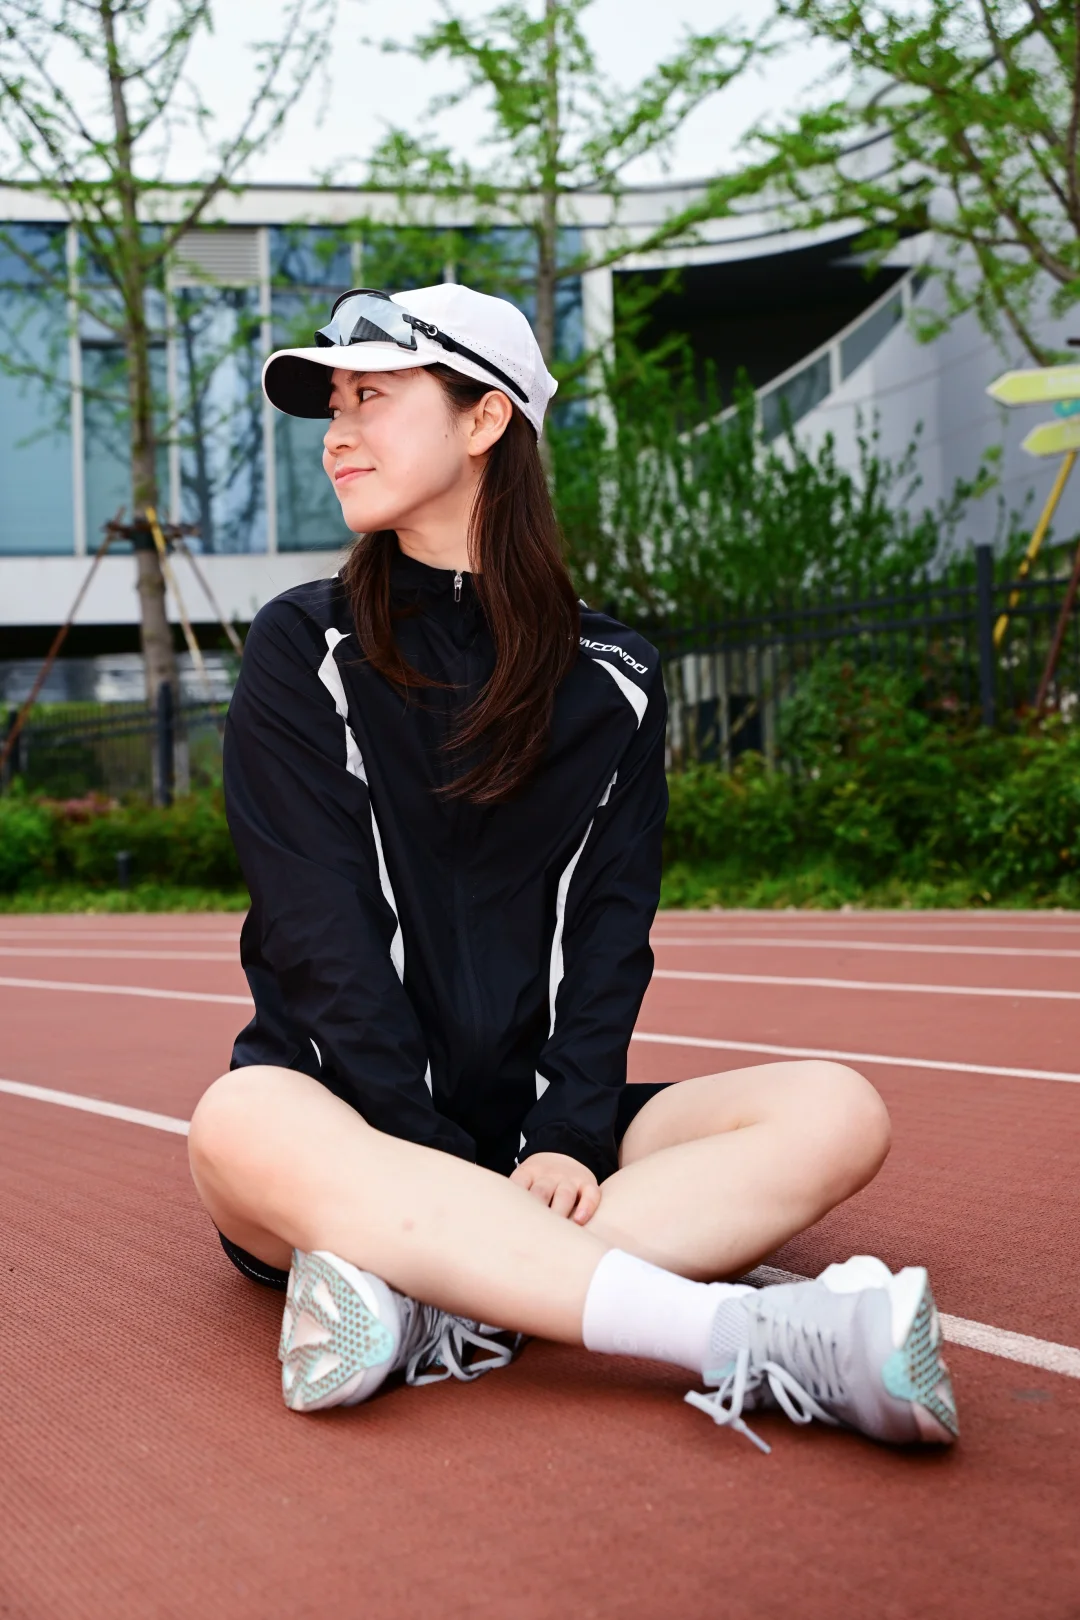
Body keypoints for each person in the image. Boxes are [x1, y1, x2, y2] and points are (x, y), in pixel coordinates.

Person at [187, 283, 958, 1453]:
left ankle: (424, 1301)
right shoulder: (304, 647)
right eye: (333, 405)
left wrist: (566, 1135)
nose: (337, 432)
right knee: (237, 1117)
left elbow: (609, 931)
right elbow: (317, 936)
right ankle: (749, 1337)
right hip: (344, 1134)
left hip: (542, 1149)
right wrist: (436, 1167)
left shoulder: (618, 674)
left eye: (372, 397)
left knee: (836, 1110)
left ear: (485, 419)